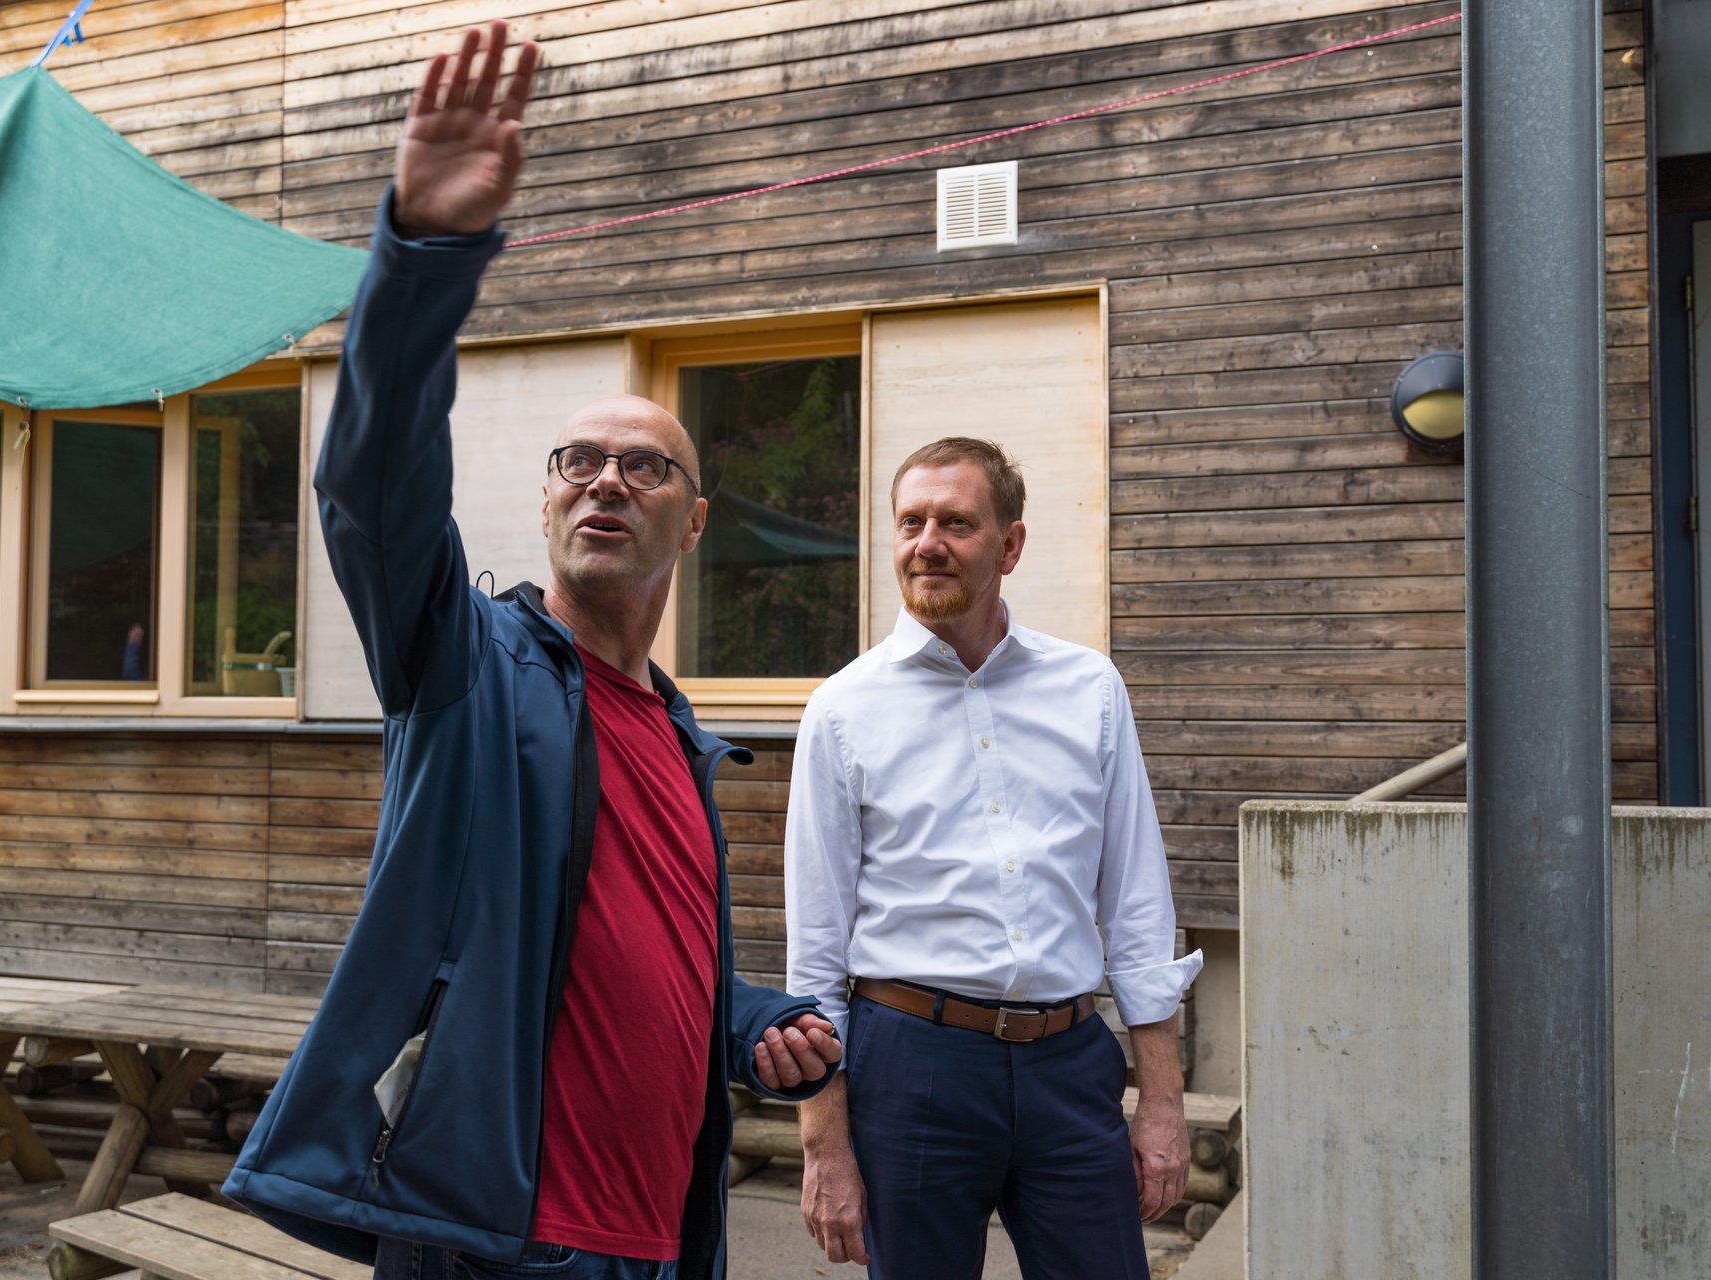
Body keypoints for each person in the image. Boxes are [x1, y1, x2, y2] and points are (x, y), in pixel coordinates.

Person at [223, 22, 841, 1280]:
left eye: (647, 464)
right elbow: (373, 484)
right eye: (579, 461)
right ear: (550, 500)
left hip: (664, 1240)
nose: (608, 479)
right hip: (502, 1239)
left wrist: (754, 1018)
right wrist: (426, 255)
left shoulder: (676, 734)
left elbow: (599, 959)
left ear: (695, 519)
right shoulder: (467, 668)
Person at [784, 437, 1203, 1279]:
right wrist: (825, 1146)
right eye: (910, 521)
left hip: (1069, 1061)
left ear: (1009, 544)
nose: (926, 542)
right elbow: (815, 953)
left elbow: (1137, 907)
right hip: (911, 1068)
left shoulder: (1089, 689)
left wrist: (1161, 1101)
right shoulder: (842, 711)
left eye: (956, 522)